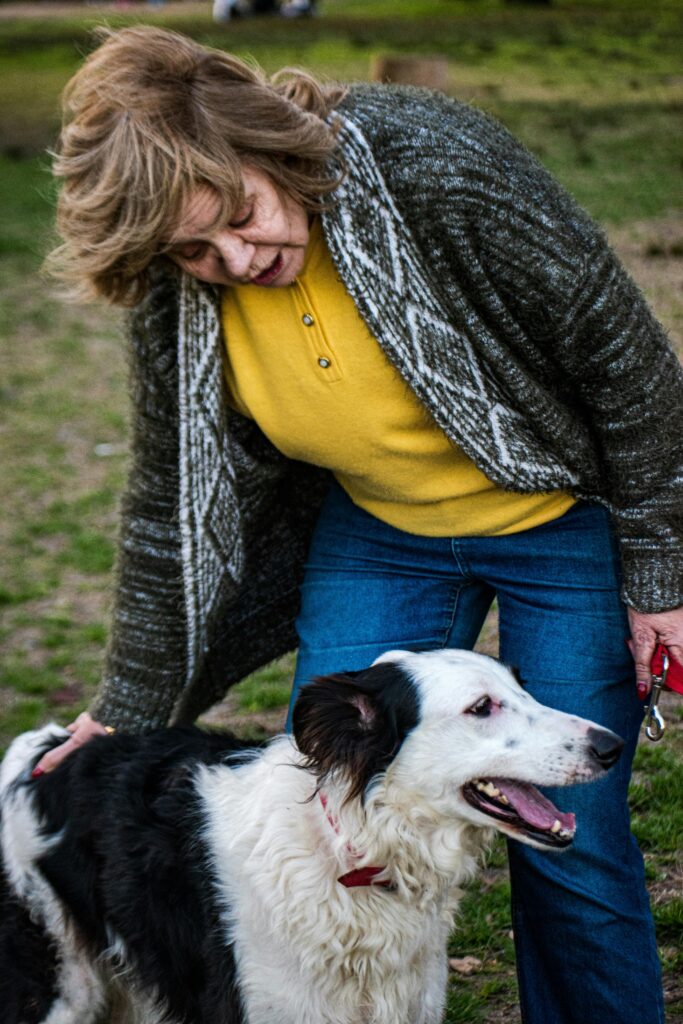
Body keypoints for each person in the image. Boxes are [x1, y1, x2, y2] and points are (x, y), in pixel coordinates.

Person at [34, 24, 682, 1024]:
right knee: (324, 791)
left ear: (264, 145)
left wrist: (658, 579)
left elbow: (631, 375)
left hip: (560, 520)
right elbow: (168, 504)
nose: (235, 259)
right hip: (379, 527)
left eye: (241, 217)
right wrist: (122, 703)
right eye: (195, 250)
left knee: (570, 831)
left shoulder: (432, 165)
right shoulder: (184, 285)